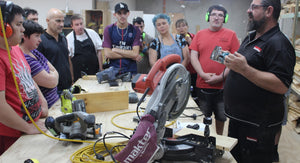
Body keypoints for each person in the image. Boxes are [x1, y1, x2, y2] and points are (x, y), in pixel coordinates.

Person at [223, 0, 296, 162]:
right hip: (240, 120)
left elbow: (282, 85)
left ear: (269, 11)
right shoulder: (251, 38)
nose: (248, 11)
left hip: (258, 126)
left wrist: (245, 69)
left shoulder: (279, 44)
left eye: (254, 7)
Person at [0, 1, 47, 155]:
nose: (23, 29)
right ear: (3, 27)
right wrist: (27, 127)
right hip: (13, 135)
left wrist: (42, 103)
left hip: (32, 125)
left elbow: (27, 77)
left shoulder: (14, 48)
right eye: (19, 24)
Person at [190, 5, 240, 135]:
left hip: (223, 86)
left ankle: (218, 140)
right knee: (203, 117)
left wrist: (220, 77)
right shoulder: (200, 34)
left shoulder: (231, 35)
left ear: (225, 19)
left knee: (221, 117)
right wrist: (202, 74)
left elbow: (235, 60)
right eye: (213, 14)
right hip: (202, 84)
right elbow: (193, 56)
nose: (217, 17)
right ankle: (204, 141)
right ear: (208, 17)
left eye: (220, 15)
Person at [19, 20, 59, 108]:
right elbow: (51, 82)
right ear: (25, 36)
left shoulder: (34, 51)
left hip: (55, 103)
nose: (40, 40)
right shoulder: (25, 59)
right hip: (46, 107)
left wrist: (52, 75)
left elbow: (54, 70)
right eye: (36, 36)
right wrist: (52, 75)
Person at [37, 8, 72, 94]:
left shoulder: (63, 38)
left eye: (63, 21)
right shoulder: (41, 41)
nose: (61, 24)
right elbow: (38, 67)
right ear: (48, 21)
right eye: (58, 21)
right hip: (52, 90)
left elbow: (67, 59)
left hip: (67, 86)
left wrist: (72, 78)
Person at [102, 2, 142, 75]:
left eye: (124, 13)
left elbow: (135, 54)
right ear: (115, 15)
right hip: (113, 71)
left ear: (128, 13)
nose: (122, 16)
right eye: (119, 13)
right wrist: (130, 55)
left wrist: (116, 50)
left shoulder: (135, 30)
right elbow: (108, 54)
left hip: (131, 71)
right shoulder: (108, 29)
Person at [66, 14, 103, 82]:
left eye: (81, 24)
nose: (80, 26)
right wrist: (72, 77)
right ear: (72, 26)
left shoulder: (92, 33)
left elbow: (99, 51)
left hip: (94, 73)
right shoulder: (68, 38)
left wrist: (101, 70)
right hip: (79, 76)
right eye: (77, 25)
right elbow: (69, 60)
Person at [175, 18, 197, 98]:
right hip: (181, 70)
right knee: (182, 92)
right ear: (176, 29)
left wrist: (190, 43)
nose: (181, 28)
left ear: (187, 27)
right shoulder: (175, 39)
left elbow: (198, 52)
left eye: (183, 26)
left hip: (194, 69)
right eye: (178, 26)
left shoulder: (194, 37)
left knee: (195, 92)